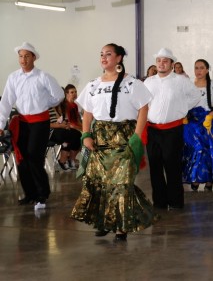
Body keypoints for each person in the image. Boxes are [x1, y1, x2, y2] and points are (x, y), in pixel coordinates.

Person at [71, 43, 159, 241]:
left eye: (108, 54)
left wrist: (136, 137)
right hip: (100, 139)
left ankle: (121, 226)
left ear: (119, 58)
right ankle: (104, 222)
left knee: (121, 183)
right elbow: (87, 113)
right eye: (101, 54)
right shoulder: (93, 84)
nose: (103, 58)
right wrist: (86, 135)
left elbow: (143, 109)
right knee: (100, 183)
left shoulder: (132, 83)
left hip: (124, 138)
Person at [0, 42, 64, 210]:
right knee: (21, 158)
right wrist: (0, 123)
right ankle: (30, 193)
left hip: (40, 122)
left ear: (34, 57)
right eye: (20, 56)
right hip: (22, 122)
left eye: (27, 56)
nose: (23, 59)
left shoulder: (43, 76)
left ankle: (42, 194)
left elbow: (58, 95)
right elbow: (6, 101)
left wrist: (44, 104)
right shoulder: (13, 77)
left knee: (34, 157)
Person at [143, 48, 201, 210]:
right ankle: (159, 202)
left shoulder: (181, 81)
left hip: (173, 130)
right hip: (152, 130)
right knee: (155, 167)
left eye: (165, 61)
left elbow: (196, 96)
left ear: (172, 64)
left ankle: (175, 202)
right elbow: (143, 103)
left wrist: (182, 109)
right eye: (159, 61)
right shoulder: (149, 82)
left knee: (172, 166)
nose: (161, 64)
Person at [183, 59, 213, 192]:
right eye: (196, 68)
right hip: (192, 123)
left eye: (201, 68)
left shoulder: (211, 86)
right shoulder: (189, 85)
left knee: (208, 150)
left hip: (208, 123)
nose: (198, 71)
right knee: (195, 149)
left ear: (207, 70)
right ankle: (194, 177)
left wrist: (210, 116)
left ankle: (209, 179)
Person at [48, 102, 81, 171]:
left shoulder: (54, 106)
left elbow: (59, 119)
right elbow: (45, 124)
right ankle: (62, 160)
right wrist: (60, 125)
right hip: (49, 132)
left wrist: (65, 124)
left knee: (77, 134)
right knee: (67, 135)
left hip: (59, 128)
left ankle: (71, 159)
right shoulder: (43, 108)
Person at [64, 84, 82, 169]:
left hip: (76, 126)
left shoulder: (75, 105)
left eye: (75, 92)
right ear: (66, 94)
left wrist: (83, 127)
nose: (74, 94)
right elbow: (69, 122)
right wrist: (79, 128)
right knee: (78, 135)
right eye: (72, 92)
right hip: (69, 127)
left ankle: (72, 158)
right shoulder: (65, 105)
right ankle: (71, 159)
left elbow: (77, 119)